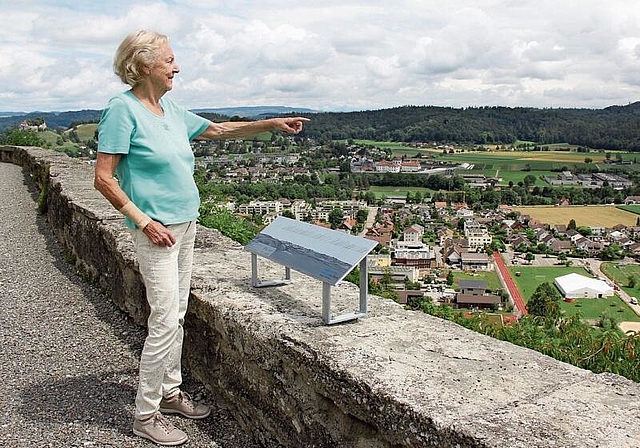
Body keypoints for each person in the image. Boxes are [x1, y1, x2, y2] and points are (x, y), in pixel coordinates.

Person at [94, 29, 309, 446]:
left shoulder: (170, 110)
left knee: (176, 315)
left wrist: (271, 123)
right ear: (142, 66)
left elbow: (218, 131)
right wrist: (143, 221)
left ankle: (170, 391)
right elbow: (103, 179)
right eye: (169, 60)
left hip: (186, 226)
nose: (177, 67)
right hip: (156, 231)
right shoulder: (122, 111)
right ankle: (145, 414)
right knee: (162, 321)